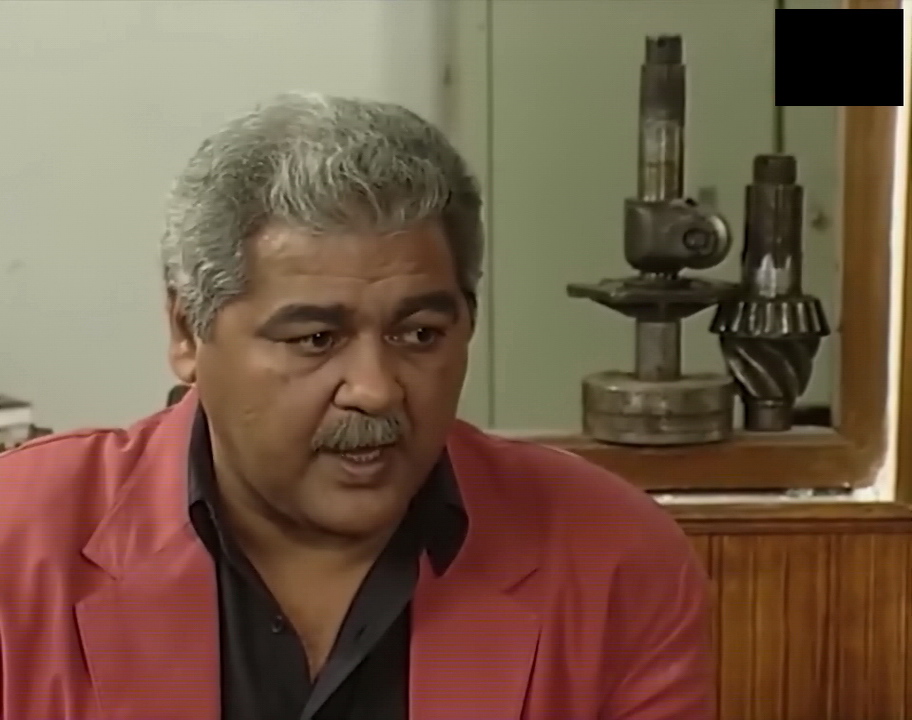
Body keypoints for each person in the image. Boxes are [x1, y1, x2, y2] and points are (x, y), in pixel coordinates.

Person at [0, 93, 714, 720]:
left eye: (419, 334)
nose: (375, 388)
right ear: (188, 333)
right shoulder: (18, 544)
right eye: (315, 339)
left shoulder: (612, 557)